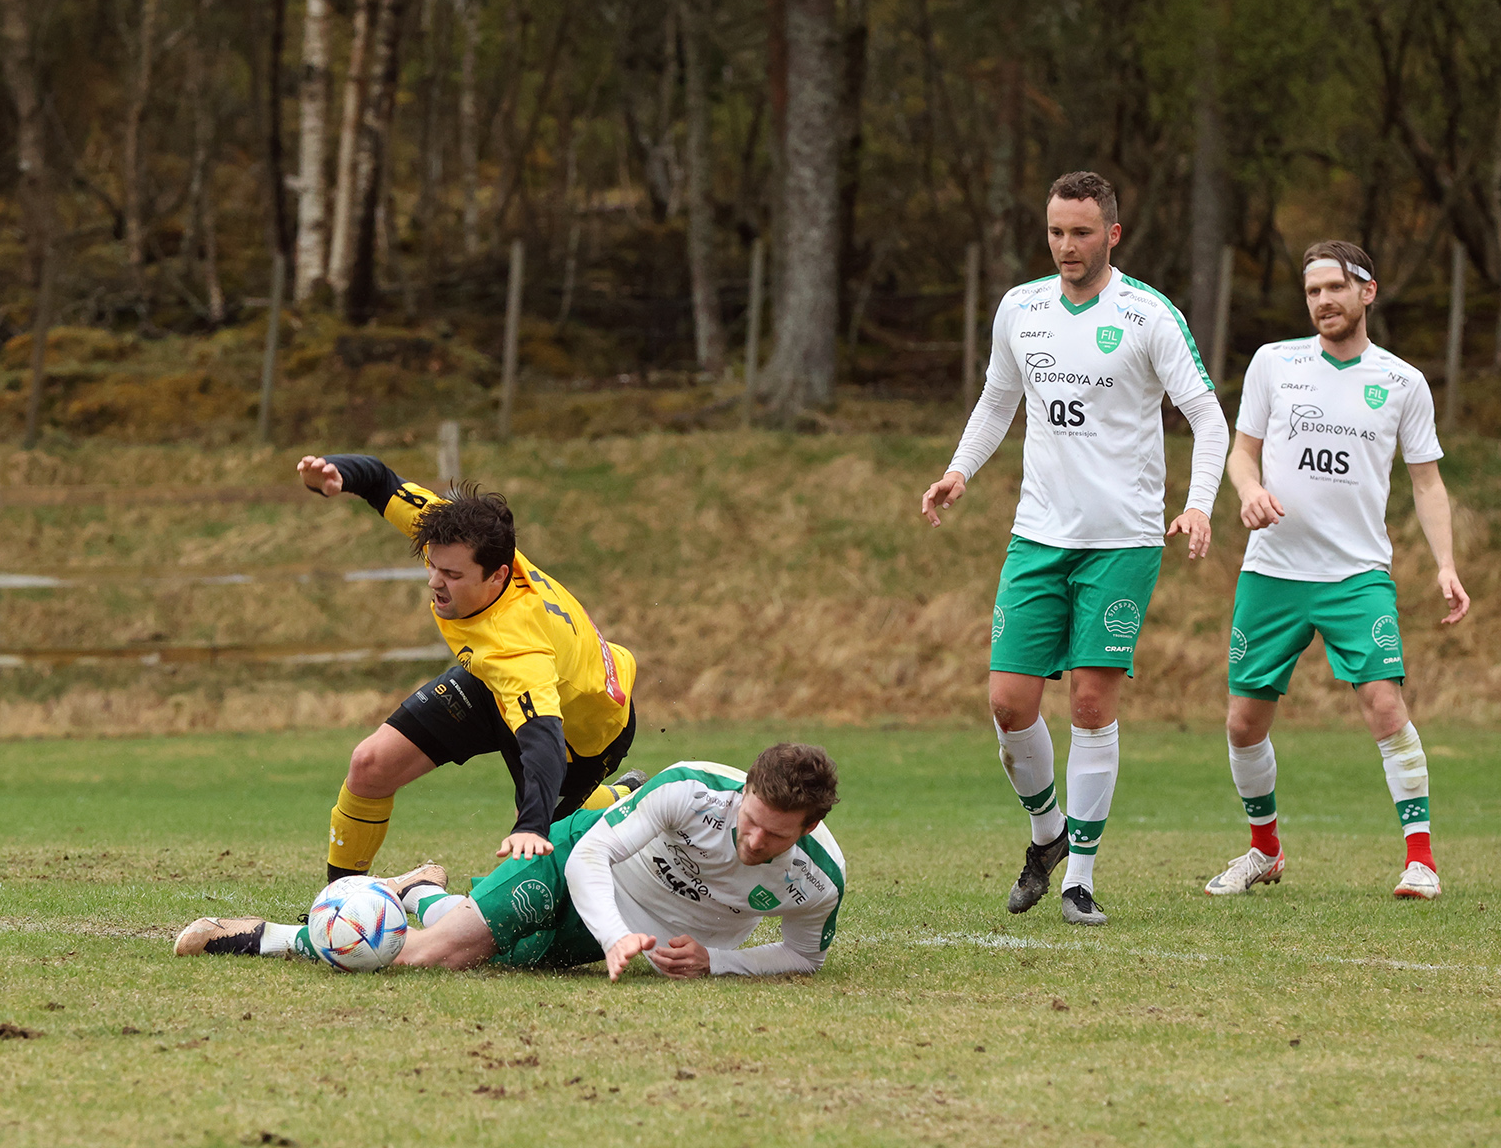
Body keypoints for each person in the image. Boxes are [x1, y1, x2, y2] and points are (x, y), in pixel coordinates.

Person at [920, 171, 1228, 926]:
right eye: (1056, 231)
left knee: (1090, 703)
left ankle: (1079, 876)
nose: (1067, 246)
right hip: (1037, 536)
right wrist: (961, 469)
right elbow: (999, 399)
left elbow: (1208, 418)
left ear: (1112, 235)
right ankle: (1047, 834)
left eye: (1082, 232)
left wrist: (1196, 506)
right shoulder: (1020, 309)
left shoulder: (1148, 314)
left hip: (1122, 540)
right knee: (1007, 702)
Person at [1205, 240, 1468, 901]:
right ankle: (1264, 850)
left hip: (1356, 575)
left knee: (1384, 705)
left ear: (1367, 292)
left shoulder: (1403, 382)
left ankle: (1421, 861)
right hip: (1273, 573)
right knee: (1242, 724)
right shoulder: (1275, 363)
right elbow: (1242, 454)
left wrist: (1446, 566)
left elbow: (1428, 485)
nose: (1322, 300)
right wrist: (1247, 492)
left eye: (1334, 288)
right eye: (1312, 291)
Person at [175, 743, 845, 979]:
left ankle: (414, 888)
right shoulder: (693, 791)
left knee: (488, 957)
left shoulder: (817, 881)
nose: (752, 842)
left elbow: (803, 957)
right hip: (578, 863)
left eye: (773, 838)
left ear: (809, 826)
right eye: (750, 821)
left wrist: (715, 962)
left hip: (613, 929)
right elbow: (592, 856)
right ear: (746, 791)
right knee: (426, 957)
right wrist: (616, 937)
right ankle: (261, 938)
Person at [295, 454, 643, 880]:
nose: (435, 582)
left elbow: (544, 743)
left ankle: (616, 799)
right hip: (491, 683)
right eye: (432, 565)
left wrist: (530, 826)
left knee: (534, 863)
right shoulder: (451, 534)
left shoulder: (516, 646)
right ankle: (341, 904)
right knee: (370, 764)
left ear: (498, 576)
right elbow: (382, 480)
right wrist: (336, 474)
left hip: (579, 731)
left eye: (452, 575)